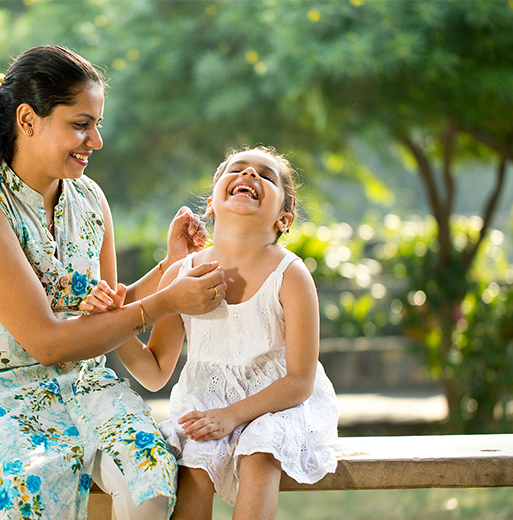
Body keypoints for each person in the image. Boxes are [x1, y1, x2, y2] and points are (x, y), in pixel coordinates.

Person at [0, 45, 227, 520]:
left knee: (152, 478)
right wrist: (164, 301)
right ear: (28, 120)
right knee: (31, 483)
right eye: (80, 124)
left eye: (98, 125)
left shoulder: (90, 198)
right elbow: (48, 340)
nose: (96, 140)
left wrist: (170, 266)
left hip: (84, 385)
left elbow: (109, 312)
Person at [86, 146, 339, 520]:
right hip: (208, 402)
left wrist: (234, 415)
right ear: (210, 203)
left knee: (258, 452)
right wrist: (116, 321)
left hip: (280, 403)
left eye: (265, 176)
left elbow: (300, 381)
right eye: (236, 169)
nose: (249, 176)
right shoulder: (181, 276)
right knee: (195, 461)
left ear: (284, 219)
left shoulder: (290, 275)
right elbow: (154, 372)